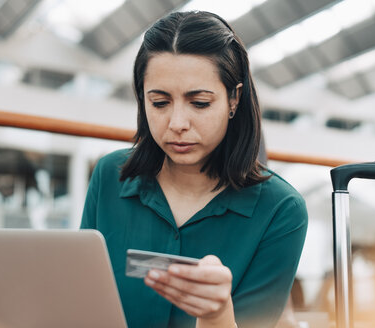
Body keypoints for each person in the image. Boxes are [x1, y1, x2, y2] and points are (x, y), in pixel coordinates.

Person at [80, 11, 308, 328]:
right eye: (159, 102)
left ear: (233, 99)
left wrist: (216, 315)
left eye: (199, 103)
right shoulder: (110, 176)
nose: (177, 125)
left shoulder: (280, 210)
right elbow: (81, 305)